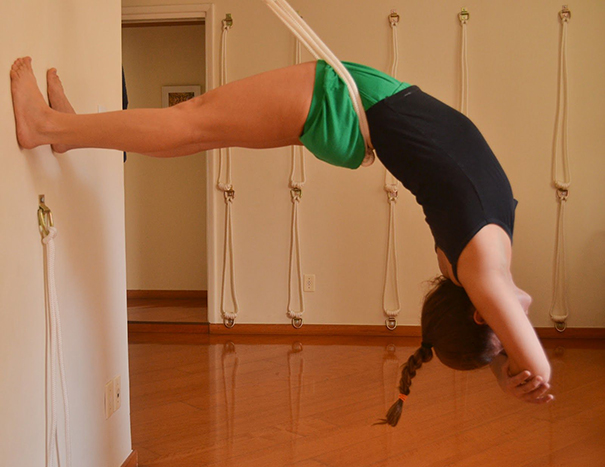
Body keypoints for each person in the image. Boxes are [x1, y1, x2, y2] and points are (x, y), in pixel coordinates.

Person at [10, 56, 553, 426]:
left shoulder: (480, 266)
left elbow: (538, 364)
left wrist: (509, 374)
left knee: (192, 121)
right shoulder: (481, 261)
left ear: (482, 311)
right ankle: (70, 131)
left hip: (344, 104)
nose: (516, 316)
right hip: (352, 109)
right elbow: (503, 320)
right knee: (197, 130)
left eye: (502, 326)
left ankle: (46, 127)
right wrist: (498, 365)